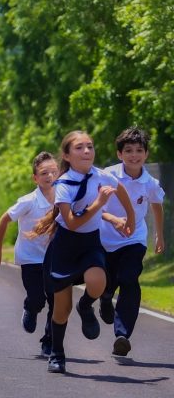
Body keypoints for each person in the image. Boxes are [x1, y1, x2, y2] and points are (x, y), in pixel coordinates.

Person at [31, 131, 135, 373]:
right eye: (79, 147)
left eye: (90, 146)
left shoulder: (102, 175)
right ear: (67, 155)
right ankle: (57, 354)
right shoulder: (63, 185)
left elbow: (121, 191)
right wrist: (98, 204)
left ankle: (86, 305)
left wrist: (129, 218)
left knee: (98, 281)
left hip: (90, 243)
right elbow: (72, 222)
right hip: (65, 247)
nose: (87, 151)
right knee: (61, 309)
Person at [98, 127, 165, 357]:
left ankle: (122, 335)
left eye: (139, 150)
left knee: (129, 279)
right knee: (106, 284)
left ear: (146, 154)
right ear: (119, 154)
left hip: (134, 239)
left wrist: (158, 234)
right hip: (105, 240)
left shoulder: (150, 183)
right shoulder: (108, 175)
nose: (134, 155)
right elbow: (95, 208)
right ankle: (105, 298)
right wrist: (113, 219)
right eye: (128, 151)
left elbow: (157, 204)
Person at [0, 152, 57, 357]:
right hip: (30, 258)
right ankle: (30, 308)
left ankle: (49, 341)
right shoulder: (28, 201)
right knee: (38, 298)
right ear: (35, 178)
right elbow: (4, 219)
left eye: (53, 172)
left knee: (56, 300)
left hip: (54, 258)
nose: (49, 176)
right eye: (44, 173)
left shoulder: (64, 199)